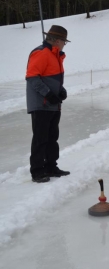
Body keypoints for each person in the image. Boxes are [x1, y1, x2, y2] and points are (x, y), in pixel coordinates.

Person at [25, 25, 71, 183]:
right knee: (40, 137)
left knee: (52, 137)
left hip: (53, 104)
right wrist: (49, 94)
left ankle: (51, 166)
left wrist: (61, 90)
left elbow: (52, 80)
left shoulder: (55, 55)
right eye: (64, 41)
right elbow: (32, 78)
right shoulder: (41, 53)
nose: (65, 44)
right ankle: (37, 170)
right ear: (58, 41)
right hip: (41, 104)